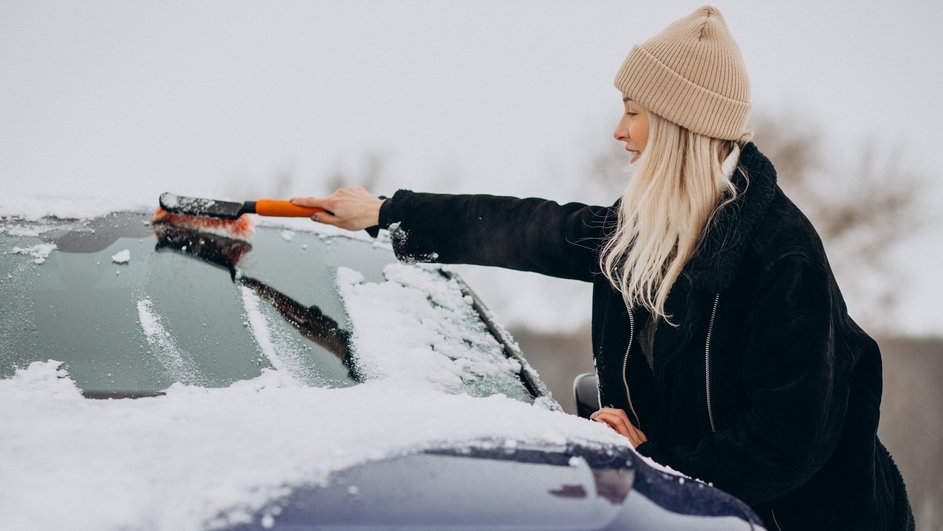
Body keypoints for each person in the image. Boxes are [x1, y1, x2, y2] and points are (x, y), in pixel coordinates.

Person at [290, 6, 913, 530]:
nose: (619, 130)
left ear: (678, 125)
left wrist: (655, 459)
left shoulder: (781, 259)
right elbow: (533, 230)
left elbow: (786, 444)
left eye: (634, 111)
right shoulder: (650, 229)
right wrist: (385, 212)